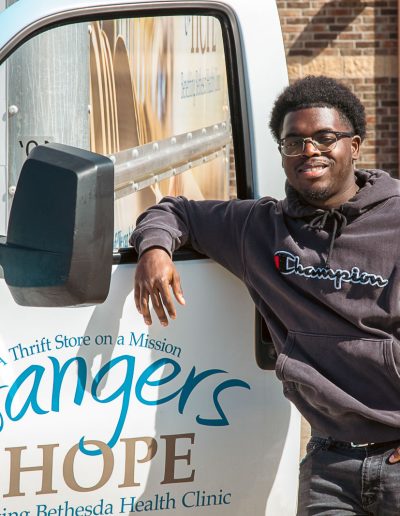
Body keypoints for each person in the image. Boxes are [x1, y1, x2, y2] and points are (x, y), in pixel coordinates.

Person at [130, 75, 400, 515]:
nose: (309, 151)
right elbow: (173, 210)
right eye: (294, 143)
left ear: (354, 145)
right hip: (330, 464)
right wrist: (156, 249)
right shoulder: (259, 229)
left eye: (324, 138)